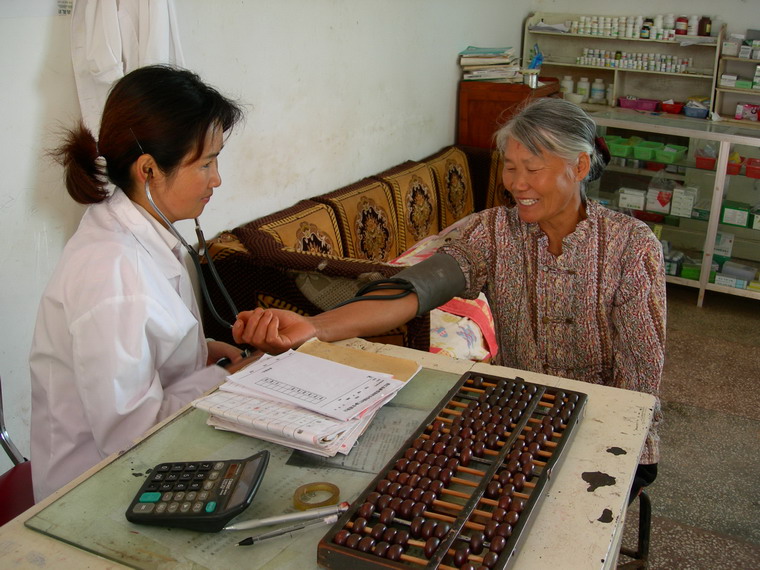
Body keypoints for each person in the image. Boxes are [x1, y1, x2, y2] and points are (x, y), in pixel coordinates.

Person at [232, 97, 665, 501]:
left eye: (532, 168)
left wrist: (589, 446)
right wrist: (315, 327)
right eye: (510, 167)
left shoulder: (631, 246)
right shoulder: (496, 232)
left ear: (580, 165)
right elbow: (416, 290)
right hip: (519, 417)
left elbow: (640, 375)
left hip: (608, 432)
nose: (516, 183)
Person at [30, 65, 257, 501]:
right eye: (206, 163)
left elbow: (142, 346)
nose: (217, 179)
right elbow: (130, 439)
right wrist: (232, 375)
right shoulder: (114, 273)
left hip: (144, 467)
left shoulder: (134, 229)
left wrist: (202, 351)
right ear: (149, 169)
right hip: (93, 495)